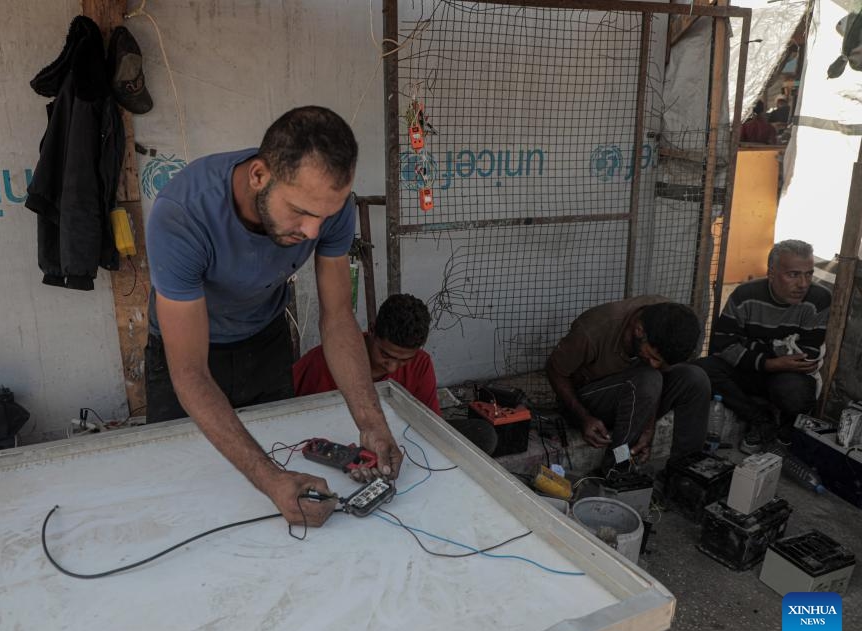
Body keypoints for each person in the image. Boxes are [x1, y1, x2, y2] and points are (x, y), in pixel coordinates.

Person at [144, 106, 402, 527]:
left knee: (281, 472)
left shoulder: (328, 206)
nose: (313, 231)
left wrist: (371, 421)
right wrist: (270, 479)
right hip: (189, 352)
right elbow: (189, 371)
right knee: (186, 491)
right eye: (300, 211)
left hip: (264, 339)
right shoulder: (183, 215)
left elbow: (337, 319)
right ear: (259, 176)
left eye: (325, 216)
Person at [294, 293, 499, 454]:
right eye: (385, 354)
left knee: (484, 435)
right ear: (372, 331)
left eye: (404, 360)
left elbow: (430, 425)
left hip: (400, 442)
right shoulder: (324, 360)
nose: (392, 368)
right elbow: (292, 422)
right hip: (336, 444)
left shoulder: (421, 363)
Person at [695, 240, 830, 453]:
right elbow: (722, 344)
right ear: (771, 273)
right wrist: (771, 360)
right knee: (702, 370)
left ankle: (785, 432)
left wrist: (750, 345)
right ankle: (761, 419)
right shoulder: (745, 295)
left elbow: (806, 356)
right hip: (755, 370)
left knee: (795, 393)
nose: (803, 284)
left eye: (808, 274)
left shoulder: (819, 299)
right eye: (793, 274)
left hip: (786, 375)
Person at [546, 298, 710, 468]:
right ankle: (616, 467)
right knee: (649, 378)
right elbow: (554, 370)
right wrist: (583, 418)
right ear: (639, 330)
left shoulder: (666, 317)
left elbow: (656, 375)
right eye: (653, 357)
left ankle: (685, 472)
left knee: (695, 378)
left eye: (660, 361)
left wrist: (648, 428)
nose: (655, 364)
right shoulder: (594, 329)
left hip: (640, 396)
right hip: (588, 402)